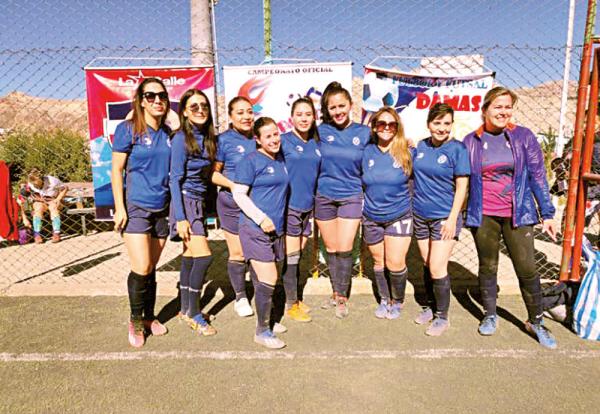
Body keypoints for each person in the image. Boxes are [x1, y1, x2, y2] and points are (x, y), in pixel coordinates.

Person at [463, 86, 559, 349]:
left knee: (527, 269)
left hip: (519, 213)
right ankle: (490, 314)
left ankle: (535, 321)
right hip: (483, 215)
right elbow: (460, 181)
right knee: (488, 266)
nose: (503, 111)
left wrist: (547, 213)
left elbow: (538, 175)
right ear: (485, 110)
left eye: (508, 107)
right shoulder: (471, 141)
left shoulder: (523, 137)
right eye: (498, 106)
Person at [111, 77, 171, 348]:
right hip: (136, 207)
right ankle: (135, 319)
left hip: (163, 208)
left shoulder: (169, 134)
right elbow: (116, 170)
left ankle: (149, 316)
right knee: (141, 266)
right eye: (150, 96)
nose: (157, 100)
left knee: (152, 267)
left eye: (162, 96)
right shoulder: (128, 130)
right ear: (141, 100)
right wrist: (120, 207)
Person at [412, 103, 470, 336]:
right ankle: (429, 306)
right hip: (420, 215)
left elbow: (462, 187)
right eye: (437, 123)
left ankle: (442, 317)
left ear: (452, 125)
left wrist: (452, 218)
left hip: (444, 218)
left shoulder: (457, 149)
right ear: (429, 124)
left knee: (437, 266)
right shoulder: (421, 146)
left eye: (447, 123)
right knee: (427, 264)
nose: (442, 128)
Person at [232, 117, 290, 349]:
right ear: (257, 139)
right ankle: (262, 331)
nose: (274, 139)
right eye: (268, 136)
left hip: (277, 230)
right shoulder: (250, 161)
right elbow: (238, 194)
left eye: (276, 134)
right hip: (254, 228)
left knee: (263, 277)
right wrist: (261, 218)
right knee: (269, 278)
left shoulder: (280, 159)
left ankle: (269, 320)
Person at [315, 81, 370, 319]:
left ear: (350, 105)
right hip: (324, 196)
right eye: (333, 107)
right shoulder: (319, 132)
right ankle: (336, 292)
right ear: (326, 110)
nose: (338, 111)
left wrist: (408, 143)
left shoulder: (364, 132)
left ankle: (341, 297)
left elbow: (387, 146)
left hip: (351, 195)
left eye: (342, 106)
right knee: (331, 248)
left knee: (346, 247)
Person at [168, 88, 217, 336]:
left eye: (204, 106)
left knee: (189, 255)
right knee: (204, 256)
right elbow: (174, 179)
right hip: (185, 201)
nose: (200, 110)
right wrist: (180, 217)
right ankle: (195, 313)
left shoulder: (208, 138)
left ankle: (186, 309)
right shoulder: (180, 139)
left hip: (198, 201)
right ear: (185, 112)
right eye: (194, 106)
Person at [361, 107, 413, 320]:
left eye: (392, 124)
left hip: (399, 214)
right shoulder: (366, 152)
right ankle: (384, 298)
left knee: (395, 262)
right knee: (379, 262)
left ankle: (397, 300)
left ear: (397, 127)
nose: (386, 128)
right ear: (374, 127)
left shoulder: (408, 152)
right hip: (372, 216)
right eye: (381, 123)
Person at [212, 97, 256, 317]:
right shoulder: (223, 141)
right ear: (230, 116)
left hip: (257, 204)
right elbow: (213, 174)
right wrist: (234, 186)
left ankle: (262, 291)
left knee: (257, 251)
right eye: (240, 112)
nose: (246, 117)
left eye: (249, 112)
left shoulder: (260, 137)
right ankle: (240, 296)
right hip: (231, 203)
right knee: (238, 253)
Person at [280, 97, 321, 322]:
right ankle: (290, 304)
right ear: (291, 118)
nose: (304, 118)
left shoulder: (317, 143)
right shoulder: (283, 141)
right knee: (292, 257)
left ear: (314, 117)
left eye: (308, 114)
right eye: (299, 114)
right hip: (290, 208)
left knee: (297, 256)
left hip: (308, 208)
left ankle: (294, 296)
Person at [19, 168, 68, 243]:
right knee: (38, 208)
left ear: (41, 179)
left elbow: (65, 188)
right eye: (34, 184)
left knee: (53, 207)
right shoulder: (30, 184)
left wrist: (58, 199)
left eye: (37, 184)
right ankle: (37, 234)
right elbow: (24, 198)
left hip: (53, 199)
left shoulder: (52, 181)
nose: (36, 186)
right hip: (41, 201)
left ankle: (56, 233)